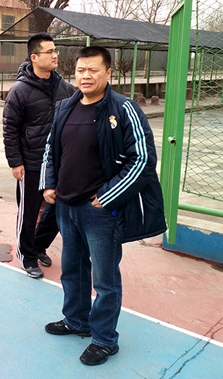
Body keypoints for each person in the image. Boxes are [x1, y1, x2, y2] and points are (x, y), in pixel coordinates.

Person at [40, 46, 166, 366]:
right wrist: (49, 183)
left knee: (105, 280)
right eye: (81, 70)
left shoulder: (124, 109)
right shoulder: (66, 107)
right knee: (72, 269)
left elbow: (143, 159)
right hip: (67, 206)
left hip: (100, 212)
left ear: (108, 73)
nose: (86, 76)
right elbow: (51, 149)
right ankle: (76, 320)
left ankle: (105, 339)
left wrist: (107, 196)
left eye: (93, 70)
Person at [2, 33, 75, 278]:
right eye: (49, 51)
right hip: (31, 163)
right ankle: (27, 256)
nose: (55, 55)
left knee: (57, 210)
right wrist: (15, 161)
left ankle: (38, 245)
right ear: (34, 57)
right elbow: (10, 128)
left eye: (55, 50)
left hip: (60, 163)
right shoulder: (19, 91)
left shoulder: (66, 88)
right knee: (29, 211)